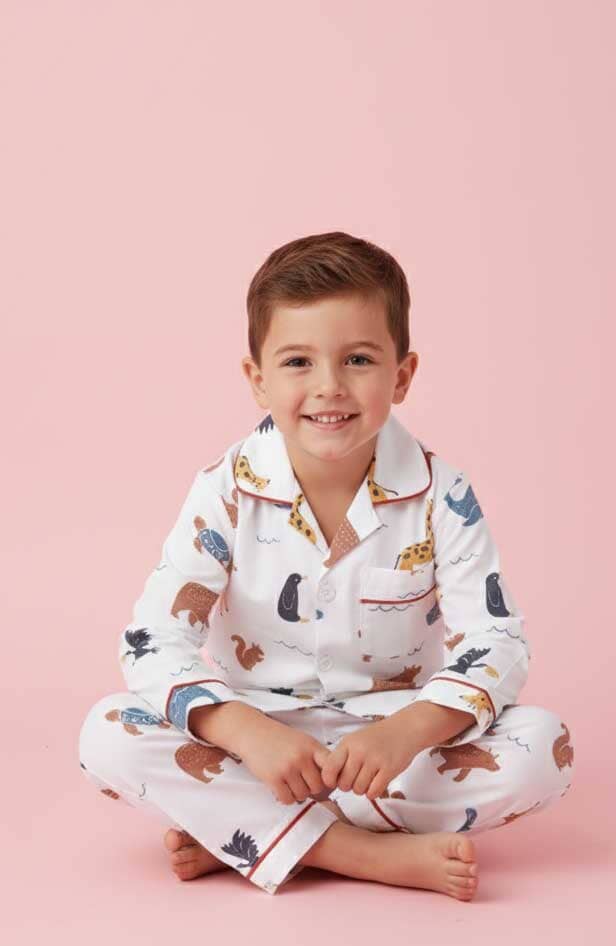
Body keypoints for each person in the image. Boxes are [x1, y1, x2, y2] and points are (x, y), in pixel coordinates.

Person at [78, 231, 574, 898]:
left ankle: (246, 832)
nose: (329, 387)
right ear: (258, 380)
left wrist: (410, 730)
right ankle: (359, 852)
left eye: (359, 359)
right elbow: (152, 640)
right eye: (298, 362)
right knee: (107, 735)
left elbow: (497, 640)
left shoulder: (443, 495)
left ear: (402, 375)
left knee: (545, 748)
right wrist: (245, 732)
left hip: (389, 748)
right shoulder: (224, 489)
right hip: (258, 742)